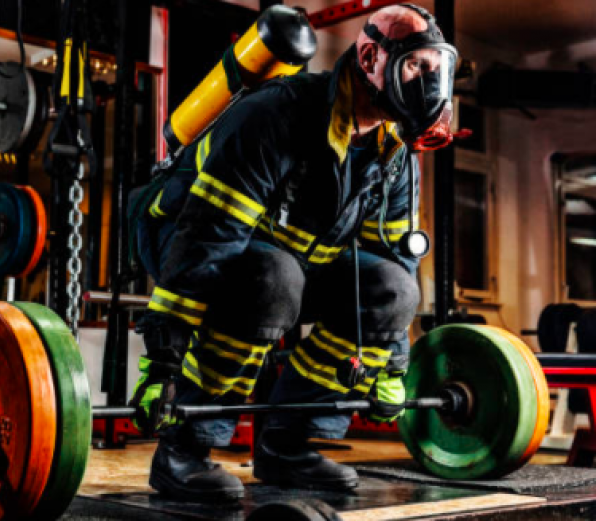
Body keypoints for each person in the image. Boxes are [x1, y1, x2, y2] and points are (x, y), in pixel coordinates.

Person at [130, 3, 458, 501]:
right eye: (416, 66)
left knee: (392, 290)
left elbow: (396, 259)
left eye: (438, 69)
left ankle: (286, 446)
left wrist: (392, 366)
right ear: (369, 57)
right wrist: (163, 364)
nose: (430, 85)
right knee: (273, 279)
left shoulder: (394, 151)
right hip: (183, 235)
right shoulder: (277, 112)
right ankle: (183, 450)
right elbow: (209, 238)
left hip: (294, 258)